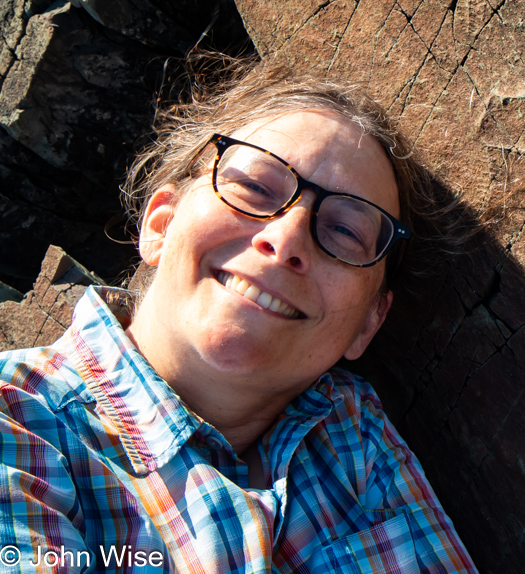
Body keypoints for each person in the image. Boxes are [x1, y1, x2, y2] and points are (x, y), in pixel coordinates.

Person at [0, 56, 477, 573]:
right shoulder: (17, 423)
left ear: (368, 323)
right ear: (160, 224)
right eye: (254, 185)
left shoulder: (358, 443)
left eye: (345, 231)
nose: (285, 238)